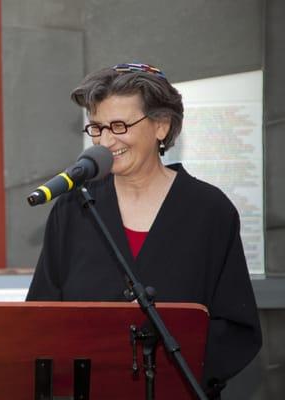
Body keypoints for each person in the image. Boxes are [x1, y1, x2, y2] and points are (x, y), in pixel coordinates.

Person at [26, 63, 262, 398]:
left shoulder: (211, 210)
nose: (106, 141)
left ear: (161, 126)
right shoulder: (71, 208)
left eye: (119, 125)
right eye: (97, 128)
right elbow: (41, 317)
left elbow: (237, 329)